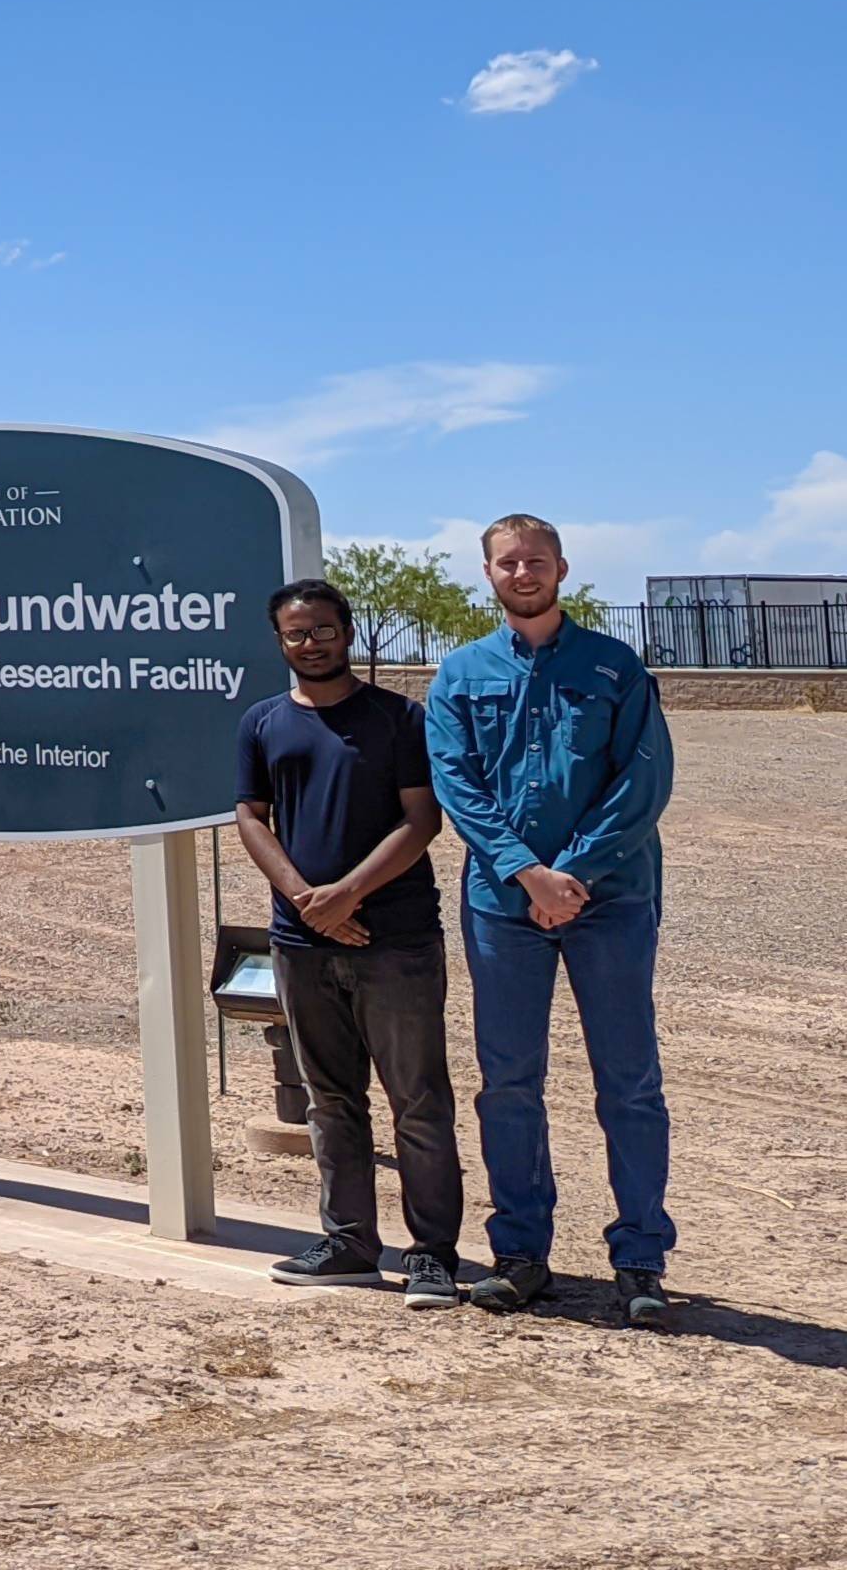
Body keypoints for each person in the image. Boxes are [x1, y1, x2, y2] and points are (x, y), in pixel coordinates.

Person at [426, 515, 676, 1329]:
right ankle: (521, 1254)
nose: (522, 571)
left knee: (629, 1082)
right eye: (507, 561)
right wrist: (527, 872)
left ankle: (639, 1259)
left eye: (535, 559)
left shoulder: (614, 665)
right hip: (505, 905)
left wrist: (574, 873)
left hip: (611, 901)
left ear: (562, 568)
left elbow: (643, 780)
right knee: (508, 1083)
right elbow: (457, 785)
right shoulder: (461, 676)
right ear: (489, 574)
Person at [236, 578, 462, 1310]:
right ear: (280, 642)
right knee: (329, 1100)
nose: (312, 643)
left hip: (395, 938)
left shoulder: (399, 719)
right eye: (297, 634)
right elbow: (251, 817)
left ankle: (432, 1255)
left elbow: (422, 820)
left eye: (324, 630)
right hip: (299, 941)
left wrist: (347, 896)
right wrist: (307, 902)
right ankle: (350, 1244)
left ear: (349, 631)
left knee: (418, 1100)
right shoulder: (263, 723)